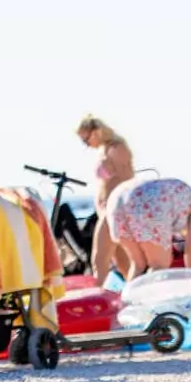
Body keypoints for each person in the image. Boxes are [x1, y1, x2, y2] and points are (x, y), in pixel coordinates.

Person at [106, 177, 191, 281]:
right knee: (159, 266)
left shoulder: (186, 199)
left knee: (138, 265)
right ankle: (151, 297)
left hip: (118, 198)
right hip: (149, 199)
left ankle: (128, 297)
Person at [76, 115, 134, 280]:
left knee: (99, 259)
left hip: (113, 210)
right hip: (107, 211)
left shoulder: (117, 148)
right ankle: (134, 294)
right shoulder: (105, 149)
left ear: (96, 132)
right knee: (123, 262)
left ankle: (96, 297)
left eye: (85, 140)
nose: (86, 145)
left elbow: (127, 179)